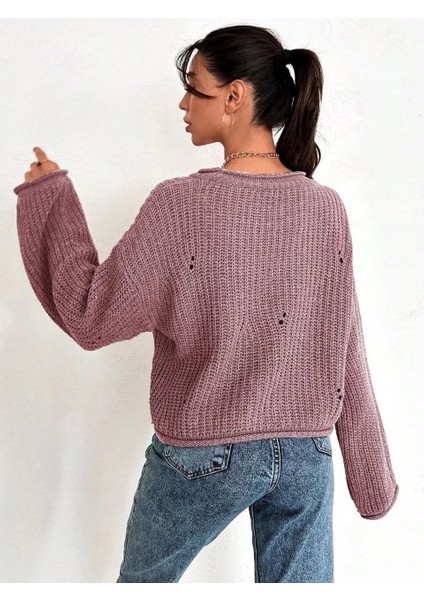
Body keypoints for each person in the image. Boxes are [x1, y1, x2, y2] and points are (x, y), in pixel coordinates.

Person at [13, 24, 398, 584]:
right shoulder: (325, 208)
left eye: (195, 88)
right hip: (306, 454)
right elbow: (347, 347)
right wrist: (371, 474)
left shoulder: (181, 206)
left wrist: (50, 200)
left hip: (204, 449)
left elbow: (93, 316)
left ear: (235, 96)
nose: (183, 103)